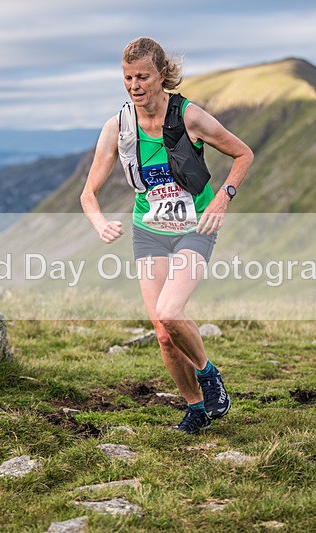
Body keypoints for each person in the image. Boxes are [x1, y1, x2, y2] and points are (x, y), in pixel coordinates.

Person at [81, 37, 254, 433]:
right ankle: (196, 409)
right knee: (161, 332)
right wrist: (100, 222)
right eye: (127, 78)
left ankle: (209, 375)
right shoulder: (118, 127)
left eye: (142, 76)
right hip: (149, 232)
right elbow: (88, 193)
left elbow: (243, 153)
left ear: (162, 75)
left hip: (194, 227)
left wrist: (223, 198)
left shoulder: (190, 117)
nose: (134, 85)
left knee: (170, 312)